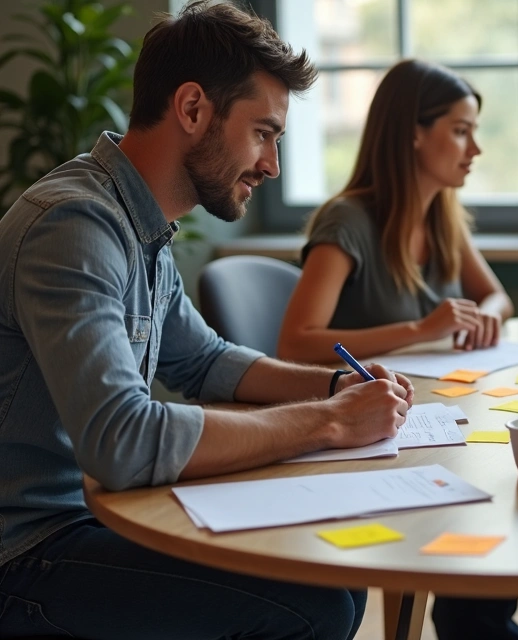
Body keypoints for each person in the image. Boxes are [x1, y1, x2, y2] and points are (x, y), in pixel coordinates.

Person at [0, 2, 418, 637]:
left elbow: (203, 361)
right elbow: (124, 442)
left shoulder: (137, 225)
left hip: (88, 520)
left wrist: (336, 386)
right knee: (316, 604)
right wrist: (330, 422)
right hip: (26, 556)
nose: (271, 165)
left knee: (334, 572)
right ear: (192, 109)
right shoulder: (73, 226)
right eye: (263, 133)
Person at [277, 60, 513, 363]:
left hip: (427, 394)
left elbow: (498, 298)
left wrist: (486, 315)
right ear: (414, 134)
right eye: (460, 131)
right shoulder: (345, 221)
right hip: (363, 402)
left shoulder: (442, 216)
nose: (475, 149)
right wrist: (421, 330)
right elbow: (294, 345)